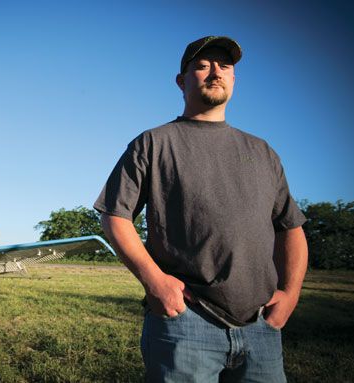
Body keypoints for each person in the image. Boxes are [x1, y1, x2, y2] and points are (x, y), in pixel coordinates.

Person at [93, 36, 308, 382]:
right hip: (186, 323)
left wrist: (291, 293)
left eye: (224, 66)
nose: (215, 72)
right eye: (202, 65)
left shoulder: (263, 151)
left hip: (261, 326)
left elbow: (290, 228)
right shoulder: (154, 142)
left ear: (234, 80)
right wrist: (155, 281)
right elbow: (115, 216)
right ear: (181, 80)